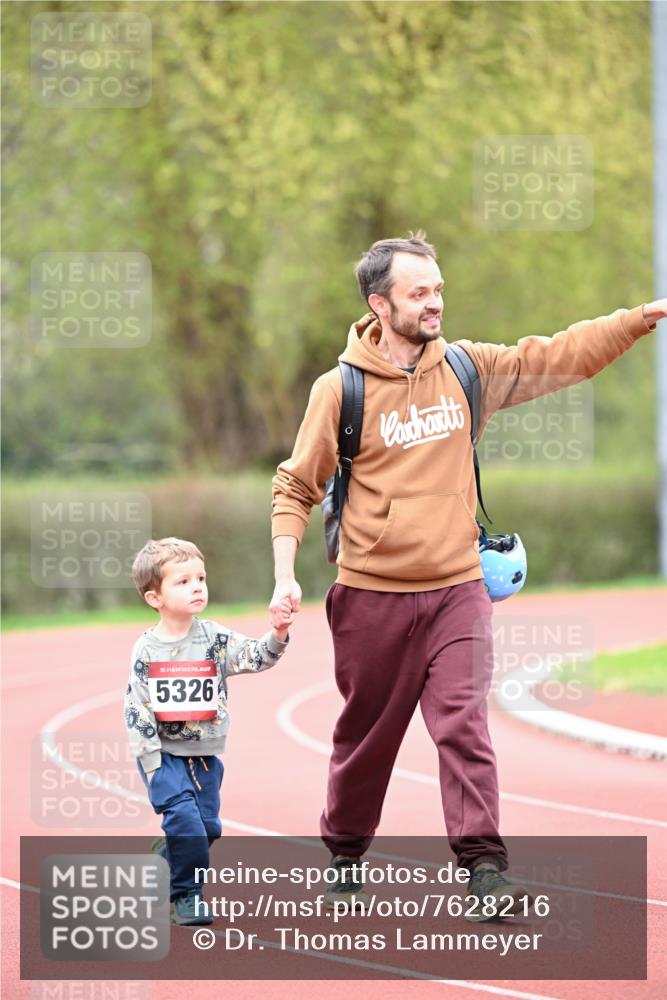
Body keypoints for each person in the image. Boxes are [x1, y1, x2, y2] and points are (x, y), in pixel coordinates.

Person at [270, 231, 665, 920]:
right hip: (371, 598)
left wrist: (636, 319)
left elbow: (555, 356)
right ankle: (345, 855)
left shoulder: (466, 369)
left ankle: (484, 870)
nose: (435, 303)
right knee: (366, 740)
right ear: (379, 303)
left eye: (438, 289)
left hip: (458, 589)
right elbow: (294, 486)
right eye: (419, 292)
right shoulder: (339, 390)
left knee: (463, 726)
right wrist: (283, 575)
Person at [125, 536, 292, 925]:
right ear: (155, 598)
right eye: (182, 581)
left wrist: (279, 633)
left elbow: (255, 656)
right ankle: (187, 896)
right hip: (164, 756)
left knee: (208, 829)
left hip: (204, 758)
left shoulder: (214, 638)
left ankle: (167, 858)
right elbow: (137, 709)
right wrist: (151, 763)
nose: (197, 586)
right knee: (186, 823)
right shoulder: (146, 651)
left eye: (200, 578)